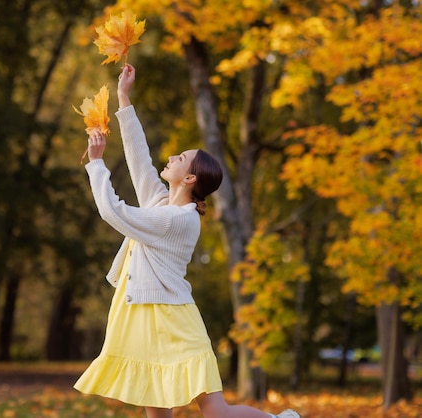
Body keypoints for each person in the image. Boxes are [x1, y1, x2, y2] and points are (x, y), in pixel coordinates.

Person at [74, 64, 301, 418]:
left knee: (216, 413)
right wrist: (123, 98)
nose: (170, 158)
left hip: (173, 320)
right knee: (156, 406)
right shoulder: (164, 203)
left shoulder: (176, 220)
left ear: (190, 177)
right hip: (142, 316)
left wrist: (97, 165)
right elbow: (139, 160)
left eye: (179, 159)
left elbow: (114, 213)